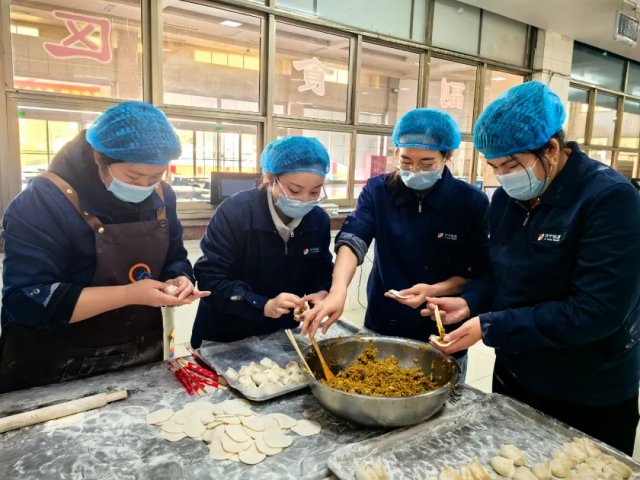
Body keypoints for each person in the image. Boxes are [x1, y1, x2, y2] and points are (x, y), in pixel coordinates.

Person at [427, 81, 640, 455]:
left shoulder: (609, 199)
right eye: (494, 167)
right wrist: (471, 303)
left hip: (586, 389)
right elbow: (499, 273)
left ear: (552, 149)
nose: (503, 177)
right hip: (516, 375)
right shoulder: (507, 200)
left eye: (510, 165)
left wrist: (492, 325)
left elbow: (597, 311)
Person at [0, 102, 208, 392]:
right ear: (100, 157)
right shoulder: (43, 201)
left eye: (156, 176)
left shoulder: (162, 195)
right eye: (134, 177)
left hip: (140, 349)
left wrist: (180, 278)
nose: (145, 185)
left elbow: (174, 255)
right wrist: (127, 294)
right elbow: (25, 300)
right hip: (57, 363)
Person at [299, 108, 491, 374]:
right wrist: (338, 290)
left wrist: (433, 290)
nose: (414, 170)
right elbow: (354, 237)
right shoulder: (379, 190)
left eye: (426, 163)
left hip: (441, 325)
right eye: (405, 160)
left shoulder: (470, 202)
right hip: (384, 320)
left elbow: (477, 272)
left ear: (448, 157)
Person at [191, 136, 334, 346]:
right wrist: (262, 304)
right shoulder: (235, 212)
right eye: (295, 190)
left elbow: (321, 269)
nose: (305, 199)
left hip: (281, 334)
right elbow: (210, 278)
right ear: (270, 178)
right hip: (226, 334)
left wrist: (322, 293)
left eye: (314, 191)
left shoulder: (317, 220)